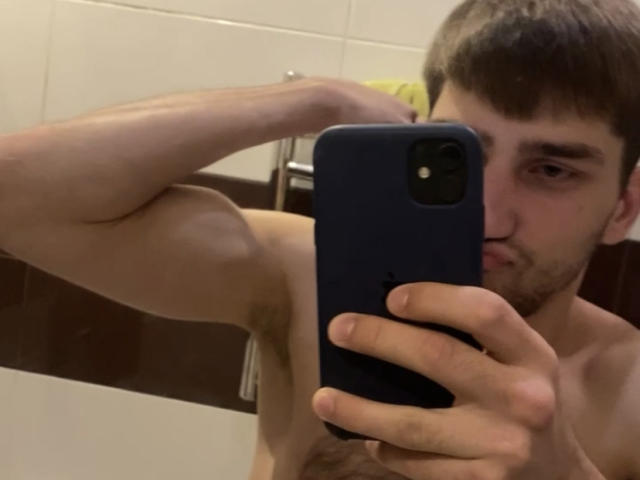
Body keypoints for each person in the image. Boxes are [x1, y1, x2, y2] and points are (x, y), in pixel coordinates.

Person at [1, 0, 640, 478]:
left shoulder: (630, 395)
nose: (488, 215)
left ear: (623, 207)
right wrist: (311, 101)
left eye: (551, 170)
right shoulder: (303, 276)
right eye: (461, 155)